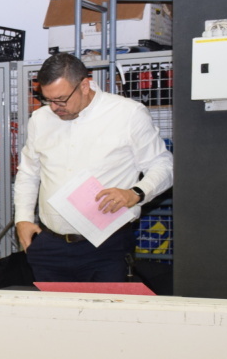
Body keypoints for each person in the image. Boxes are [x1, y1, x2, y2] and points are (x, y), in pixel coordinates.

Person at [14, 52, 173, 282]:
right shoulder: (40, 119)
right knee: (50, 306)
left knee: (105, 307)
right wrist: (23, 218)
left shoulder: (127, 113)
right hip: (50, 246)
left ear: (84, 86)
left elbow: (163, 165)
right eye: (48, 100)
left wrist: (135, 193)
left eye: (61, 99)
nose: (55, 107)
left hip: (107, 246)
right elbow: (28, 173)